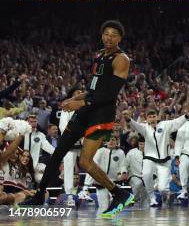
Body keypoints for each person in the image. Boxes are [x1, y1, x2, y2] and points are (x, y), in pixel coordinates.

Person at [21, 20, 134, 218]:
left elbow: (108, 95)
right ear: (102, 35)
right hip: (87, 110)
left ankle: (119, 193)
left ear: (120, 38)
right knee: (59, 152)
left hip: (101, 114)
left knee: (85, 162)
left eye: (113, 34)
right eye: (106, 33)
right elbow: (92, 90)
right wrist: (74, 99)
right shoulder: (99, 55)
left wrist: (79, 104)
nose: (109, 37)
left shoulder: (121, 59)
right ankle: (39, 195)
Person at [124, 108, 189, 207]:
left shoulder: (165, 125)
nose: (152, 119)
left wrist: (186, 116)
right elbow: (135, 125)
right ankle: (152, 198)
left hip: (165, 160)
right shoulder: (144, 128)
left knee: (162, 188)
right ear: (147, 119)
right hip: (149, 158)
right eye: (150, 117)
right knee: (146, 174)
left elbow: (177, 122)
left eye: (154, 116)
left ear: (157, 117)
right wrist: (128, 119)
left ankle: (164, 196)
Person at [82, 135, 127, 214]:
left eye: (113, 140)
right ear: (105, 142)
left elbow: (122, 165)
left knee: (114, 208)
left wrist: (123, 173)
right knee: (103, 206)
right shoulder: (100, 151)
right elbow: (92, 166)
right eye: (109, 140)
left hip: (115, 183)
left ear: (117, 142)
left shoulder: (121, 152)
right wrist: (87, 185)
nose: (111, 142)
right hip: (101, 182)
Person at [58, 88, 85, 196]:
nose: (80, 93)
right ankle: (69, 194)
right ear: (72, 95)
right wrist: (71, 137)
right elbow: (62, 125)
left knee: (94, 161)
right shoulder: (67, 107)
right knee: (69, 166)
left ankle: (86, 189)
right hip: (70, 140)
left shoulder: (86, 107)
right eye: (77, 92)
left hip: (83, 140)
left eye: (81, 92)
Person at [125, 136, 146, 206]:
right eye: (141, 144)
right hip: (134, 175)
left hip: (147, 177)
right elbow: (125, 164)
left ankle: (143, 208)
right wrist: (124, 172)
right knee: (138, 183)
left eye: (144, 144)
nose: (142, 146)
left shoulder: (151, 153)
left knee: (145, 196)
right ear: (138, 144)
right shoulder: (132, 152)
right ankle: (132, 199)